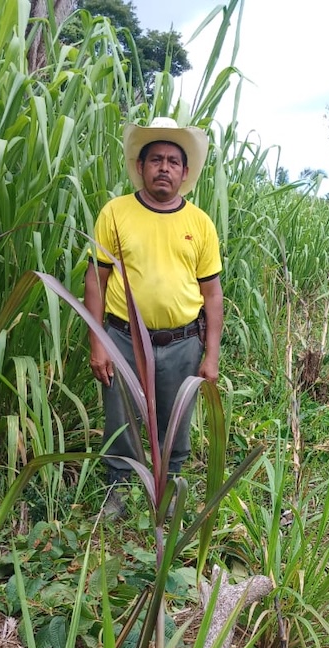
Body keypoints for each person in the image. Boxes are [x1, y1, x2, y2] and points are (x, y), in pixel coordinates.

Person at [84, 117, 224, 519]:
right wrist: (98, 342)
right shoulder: (115, 213)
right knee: (121, 419)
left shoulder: (199, 223)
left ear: (184, 172)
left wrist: (210, 354)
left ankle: (169, 492)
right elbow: (96, 279)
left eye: (173, 161)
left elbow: (212, 294)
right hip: (122, 339)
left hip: (182, 342)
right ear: (141, 166)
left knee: (175, 422)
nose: (164, 167)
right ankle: (120, 494)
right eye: (156, 159)